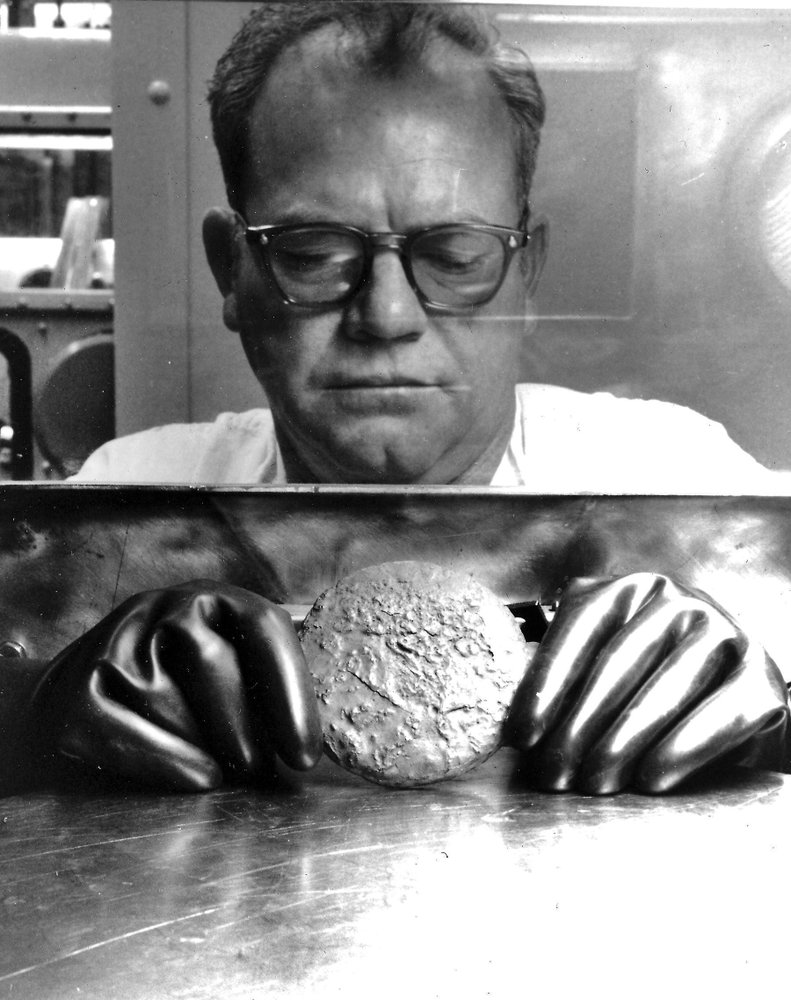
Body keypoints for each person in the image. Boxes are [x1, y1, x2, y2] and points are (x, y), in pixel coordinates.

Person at [4, 2, 787, 798]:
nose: (386, 316)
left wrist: (776, 706)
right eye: (313, 254)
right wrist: (37, 717)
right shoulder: (128, 504)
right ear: (228, 270)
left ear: (528, 275)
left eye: (453, 256)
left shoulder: (679, 478)